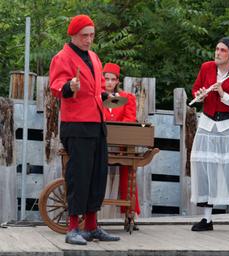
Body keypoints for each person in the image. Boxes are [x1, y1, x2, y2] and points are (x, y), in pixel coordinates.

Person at [49, 14, 120, 245]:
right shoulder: (62, 57)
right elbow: (57, 86)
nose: (89, 39)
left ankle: (91, 226)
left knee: (97, 175)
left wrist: (106, 95)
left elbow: (95, 90)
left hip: (97, 124)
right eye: (84, 36)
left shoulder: (94, 57)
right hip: (77, 125)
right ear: (73, 35)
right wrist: (70, 85)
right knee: (79, 176)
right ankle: (72, 228)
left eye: (91, 35)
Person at [190, 37, 229, 232]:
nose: (217, 53)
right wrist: (199, 95)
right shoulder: (206, 68)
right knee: (205, 167)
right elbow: (195, 89)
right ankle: (207, 219)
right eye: (217, 49)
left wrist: (224, 95)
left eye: (222, 50)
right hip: (207, 124)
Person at [102, 62, 140, 230]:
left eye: (112, 79)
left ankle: (130, 212)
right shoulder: (96, 96)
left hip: (120, 145)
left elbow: (130, 118)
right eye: (106, 79)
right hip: (100, 142)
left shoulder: (127, 98)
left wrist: (116, 132)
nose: (109, 82)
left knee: (127, 172)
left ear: (117, 81)